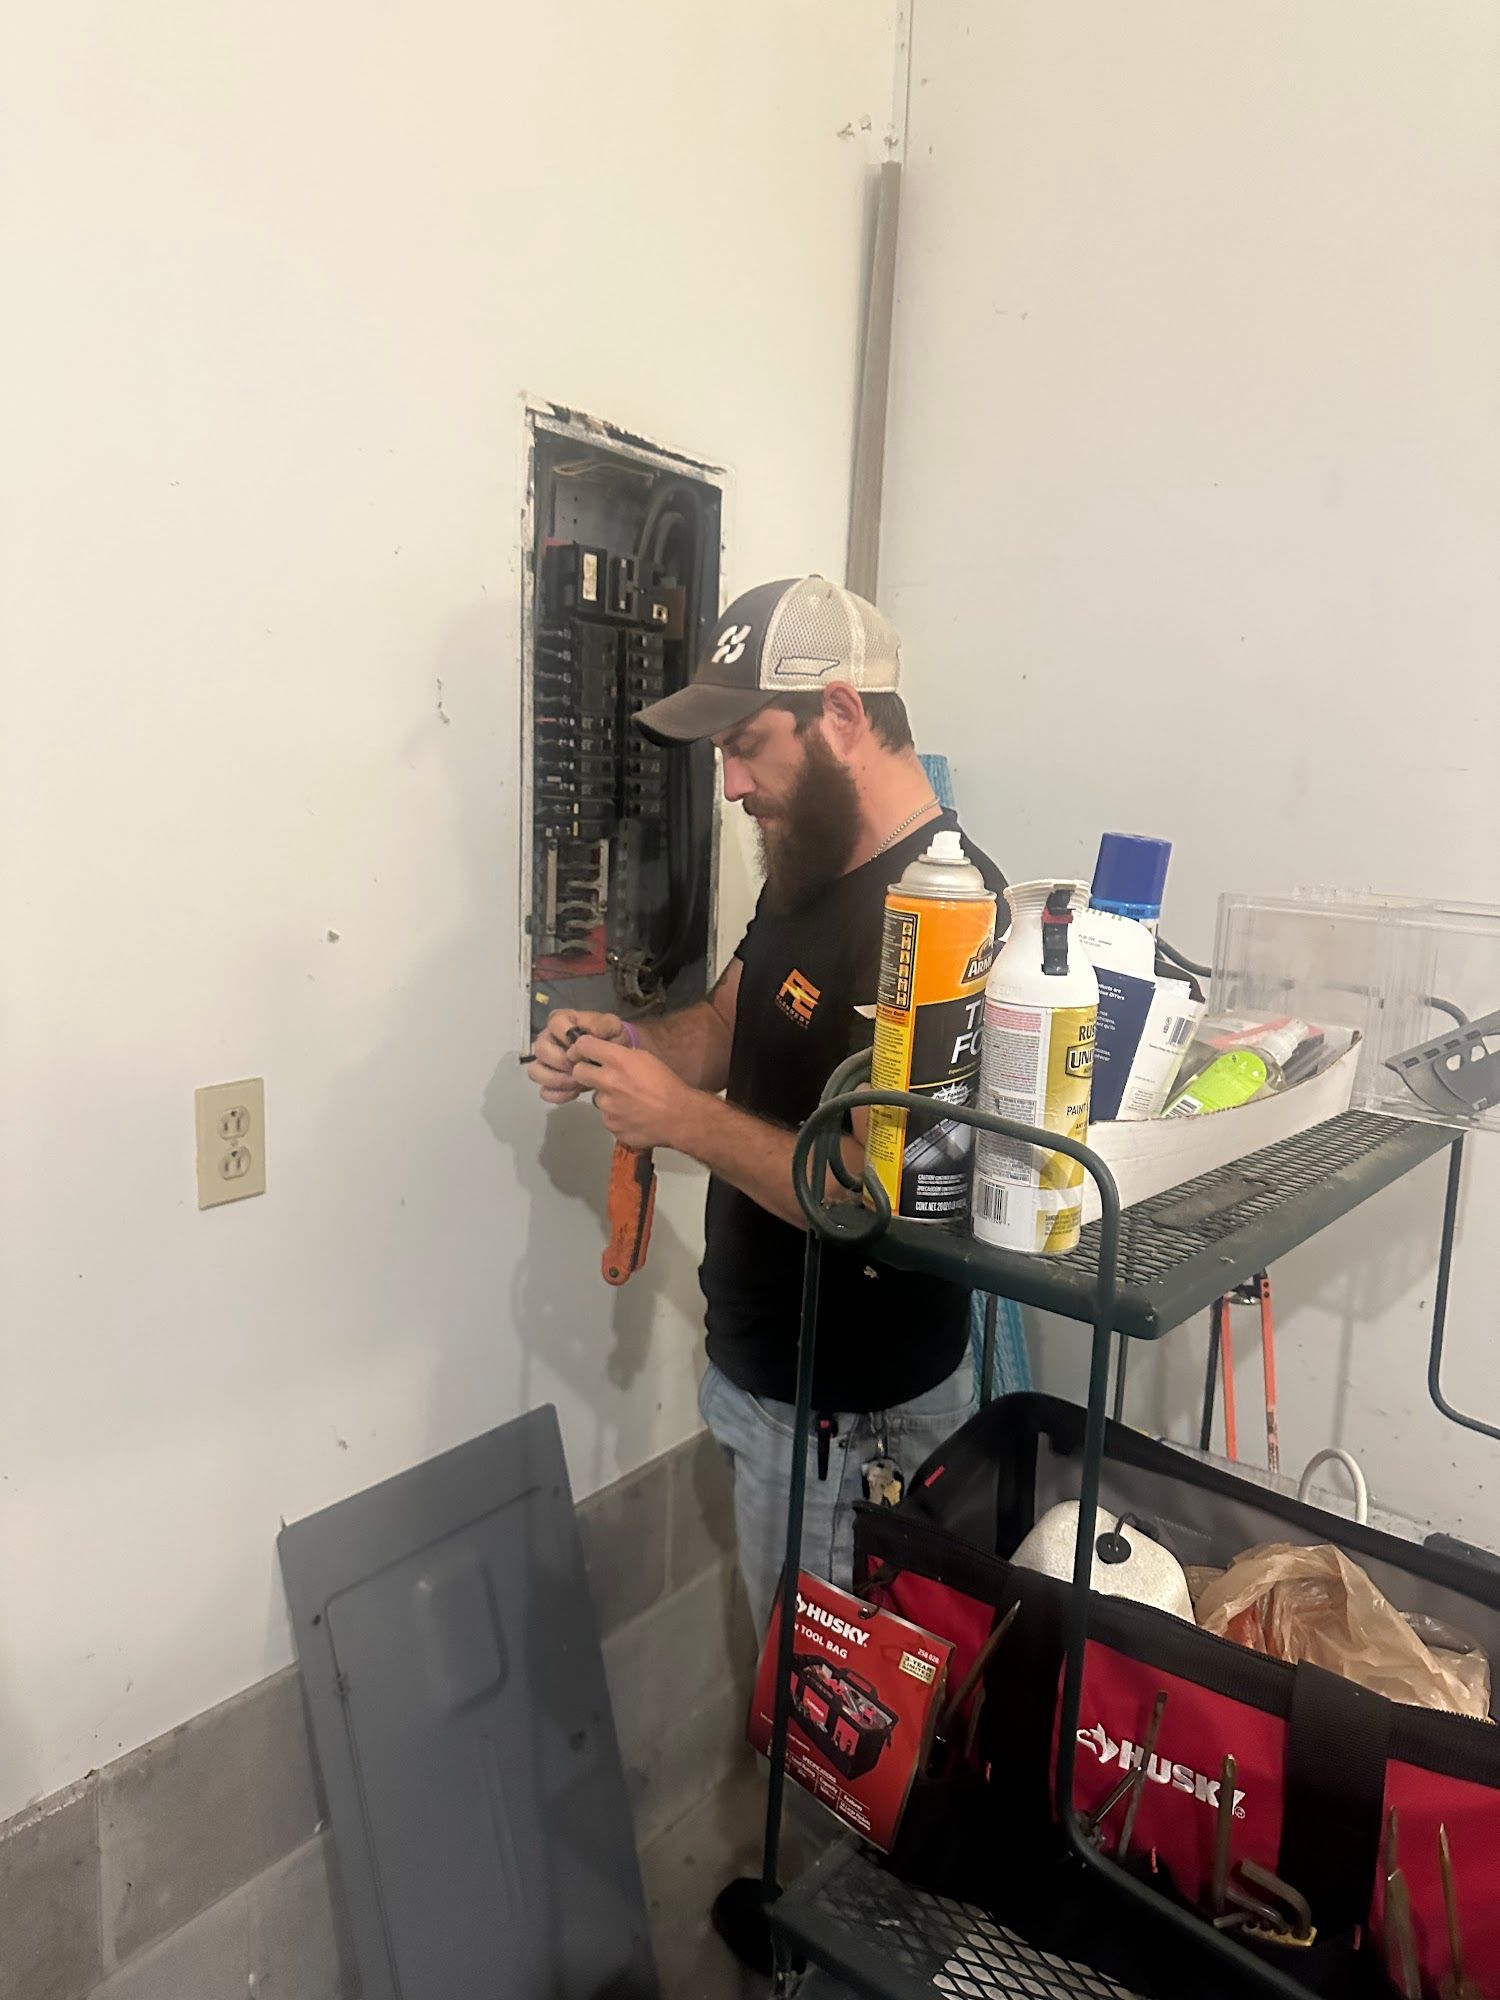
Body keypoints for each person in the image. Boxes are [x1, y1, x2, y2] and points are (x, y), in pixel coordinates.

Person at [526, 576, 1007, 1632]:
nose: (735, 784)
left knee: (843, 1754)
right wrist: (626, 1047)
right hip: (769, 1394)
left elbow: (867, 1188)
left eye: (749, 745)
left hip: (856, 1427)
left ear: (840, 714)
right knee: (806, 1729)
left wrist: (677, 1119)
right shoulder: (807, 866)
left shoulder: (942, 914)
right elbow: (729, 1022)